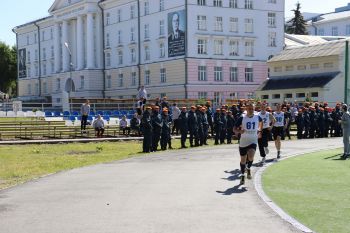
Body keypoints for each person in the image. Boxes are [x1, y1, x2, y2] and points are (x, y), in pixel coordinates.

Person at [234, 102, 263, 185]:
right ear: (246, 109)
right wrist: (239, 131)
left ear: (254, 109)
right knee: (243, 160)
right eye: (249, 109)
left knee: (250, 157)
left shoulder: (257, 116)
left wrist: (260, 130)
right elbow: (234, 128)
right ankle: (243, 175)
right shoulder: (242, 117)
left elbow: (261, 123)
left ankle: (248, 168)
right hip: (243, 141)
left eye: (252, 109)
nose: (251, 110)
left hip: (253, 140)